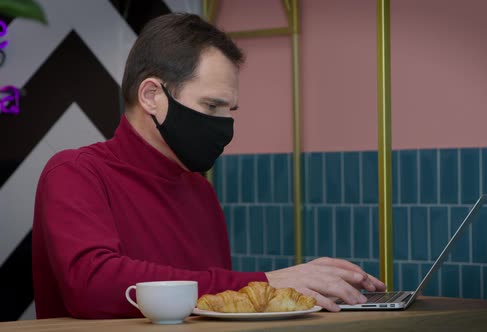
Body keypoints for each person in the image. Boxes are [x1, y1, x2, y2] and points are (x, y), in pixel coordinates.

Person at [32, 13, 384, 319]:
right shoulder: (75, 173)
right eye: (212, 106)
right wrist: (265, 282)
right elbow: (92, 287)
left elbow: (209, 308)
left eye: (229, 111)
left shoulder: (199, 190)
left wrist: (302, 294)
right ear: (152, 96)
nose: (224, 126)